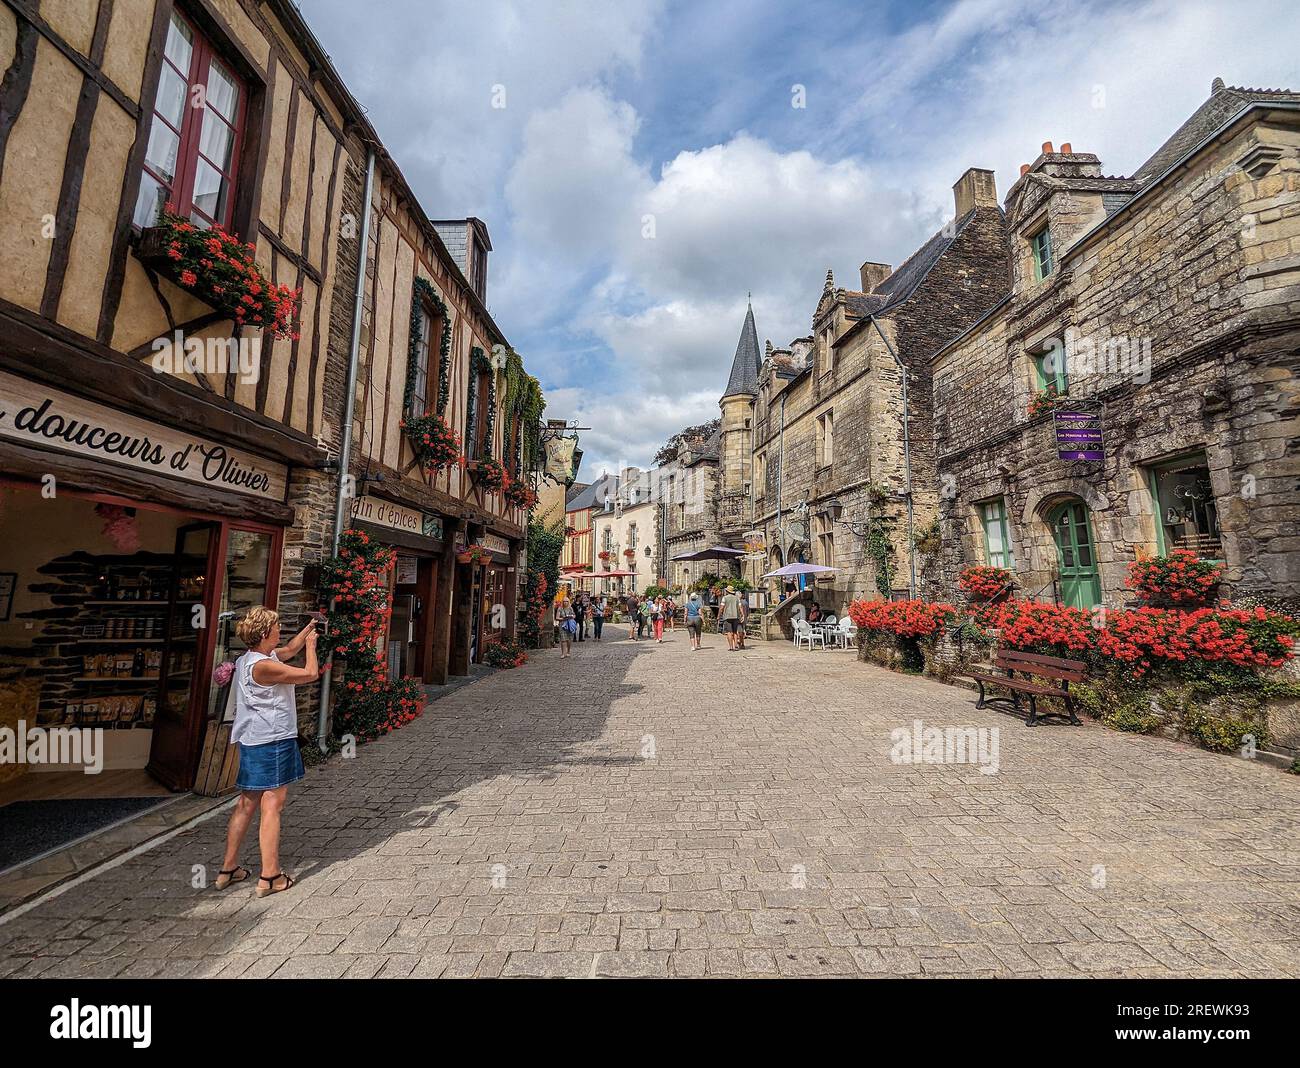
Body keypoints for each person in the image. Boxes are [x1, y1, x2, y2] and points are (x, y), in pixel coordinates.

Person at [216, 608, 319, 898]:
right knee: (273, 804)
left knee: (246, 803)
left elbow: (289, 649)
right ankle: (270, 876)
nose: (280, 630)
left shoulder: (250, 659)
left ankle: (228, 869)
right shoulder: (264, 667)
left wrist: (308, 629)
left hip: (253, 739)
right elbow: (309, 674)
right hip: (272, 740)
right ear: (264, 634)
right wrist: (312, 648)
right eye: (276, 627)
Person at [719, 585, 742, 651]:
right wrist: (742, 614)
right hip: (736, 616)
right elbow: (740, 607)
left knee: (729, 632)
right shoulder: (737, 598)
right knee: (735, 632)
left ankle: (731, 647)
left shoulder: (725, 598)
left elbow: (721, 607)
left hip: (727, 616)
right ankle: (736, 646)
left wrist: (719, 615)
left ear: (727, 591)